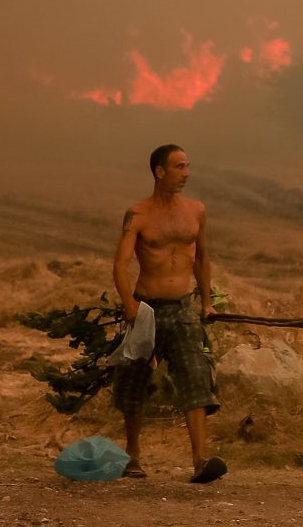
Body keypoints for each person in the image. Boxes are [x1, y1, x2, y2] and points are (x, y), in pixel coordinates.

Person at [111, 144, 227, 483]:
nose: (186, 173)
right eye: (178, 167)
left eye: (188, 166)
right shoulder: (138, 214)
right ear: (160, 171)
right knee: (134, 381)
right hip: (146, 309)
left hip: (182, 308)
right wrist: (129, 305)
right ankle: (132, 457)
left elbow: (202, 258)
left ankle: (201, 461)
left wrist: (206, 302)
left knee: (195, 376)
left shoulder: (197, 211)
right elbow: (120, 264)